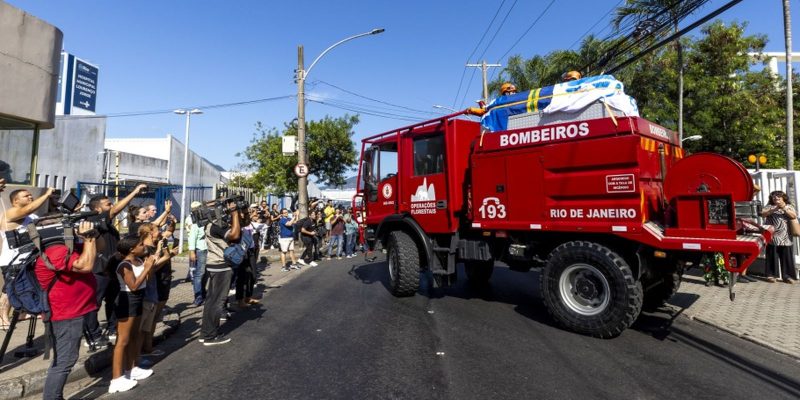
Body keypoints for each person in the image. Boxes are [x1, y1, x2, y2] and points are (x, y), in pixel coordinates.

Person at [36, 221, 98, 400]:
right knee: (65, 361)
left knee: (65, 359)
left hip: (73, 311)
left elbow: (96, 249)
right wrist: (88, 237)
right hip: (66, 315)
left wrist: (94, 235)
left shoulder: (64, 247)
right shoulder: (56, 251)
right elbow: (86, 265)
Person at [83, 184, 147, 346]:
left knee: (113, 299)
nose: (111, 206)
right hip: (99, 269)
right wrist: (134, 192)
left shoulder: (107, 224)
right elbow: (116, 210)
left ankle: (112, 327)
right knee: (94, 302)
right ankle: (93, 334)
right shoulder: (94, 219)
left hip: (111, 268)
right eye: (107, 204)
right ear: (98, 209)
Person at [2, 187, 55, 328]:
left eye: (31, 195)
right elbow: (28, 209)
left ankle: (23, 313)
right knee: (11, 292)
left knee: (27, 290)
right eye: (26, 196)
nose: (30, 197)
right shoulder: (10, 213)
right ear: (15, 200)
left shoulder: (32, 217)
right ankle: (2, 318)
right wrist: (46, 195)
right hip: (14, 261)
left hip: (30, 259)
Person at [109, 236, 155, 394]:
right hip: (127, 300)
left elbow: (145, 281)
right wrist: (148, 267)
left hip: (138, 299)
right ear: (131, 249)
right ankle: (116, 379)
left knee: (135, 336)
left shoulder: (139, 261)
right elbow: (133, 285)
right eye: (141, 245)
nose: (144, 246)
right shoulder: (124, 265)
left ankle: (131, 369)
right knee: (123, 340)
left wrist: (152, 265)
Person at [200, 199, 241, 346]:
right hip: (221, 266)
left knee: (211, 300)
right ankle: (210, 336)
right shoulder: (216, 226)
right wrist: (235, 212)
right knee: (218, 301)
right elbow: (235, 235)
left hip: (214, 265)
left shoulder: (209, 225)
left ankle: (206, 332)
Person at [761, 190, 797, 284]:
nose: (776, 199)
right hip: (772, 236)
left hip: (786, 236)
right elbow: (763, 214)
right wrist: (774, 209)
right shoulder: (769, 206)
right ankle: (771, 275)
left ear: (783, 198)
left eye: (778, 198)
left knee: (787, 257)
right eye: (774, 198)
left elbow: (794, 216)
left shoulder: (789, 206)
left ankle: (788, 276)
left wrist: (784, 208)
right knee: (772, 256)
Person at [187, 201, 208, 306]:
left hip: (208, 249)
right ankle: (198, 298)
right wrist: (192, 252)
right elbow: (192, 237)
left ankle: (204, 294)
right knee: (199, 274)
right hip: (200, 250)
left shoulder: (207, 221)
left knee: (205, 274)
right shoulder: (196, 222)